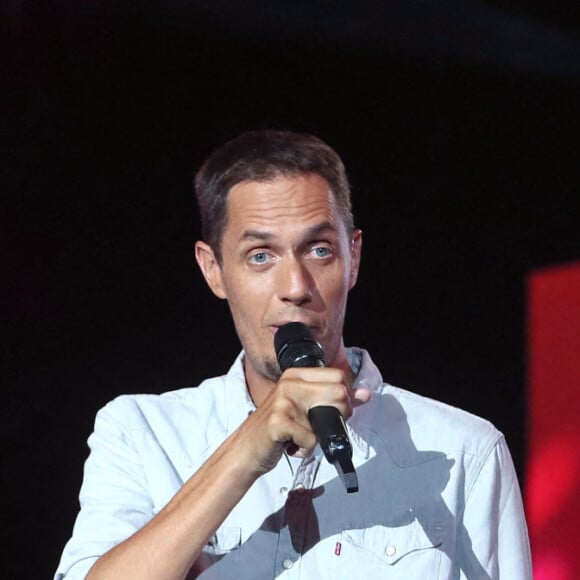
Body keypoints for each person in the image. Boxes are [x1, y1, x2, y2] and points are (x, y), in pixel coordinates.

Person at [55, 130, 532, 579]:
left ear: (354, 258)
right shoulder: (143, 433)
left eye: (319, 250)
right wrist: (248, 448)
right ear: (213, 270)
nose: (295, 288)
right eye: (260, 255)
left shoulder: (466, 449)